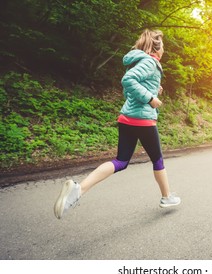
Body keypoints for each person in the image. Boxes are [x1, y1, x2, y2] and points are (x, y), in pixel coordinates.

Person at [54, 29, 181, 219]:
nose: (164, 49)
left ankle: (78, 191)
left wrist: (154, 91)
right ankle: (166, 197)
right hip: (143, 120)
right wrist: (150, 99)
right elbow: (127, 81)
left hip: (128, 118)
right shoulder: (149, 62)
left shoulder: (138, 61)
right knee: (158, 160)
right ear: (156, 48)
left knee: (121, 161)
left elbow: (129, 90)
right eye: (162, 46)